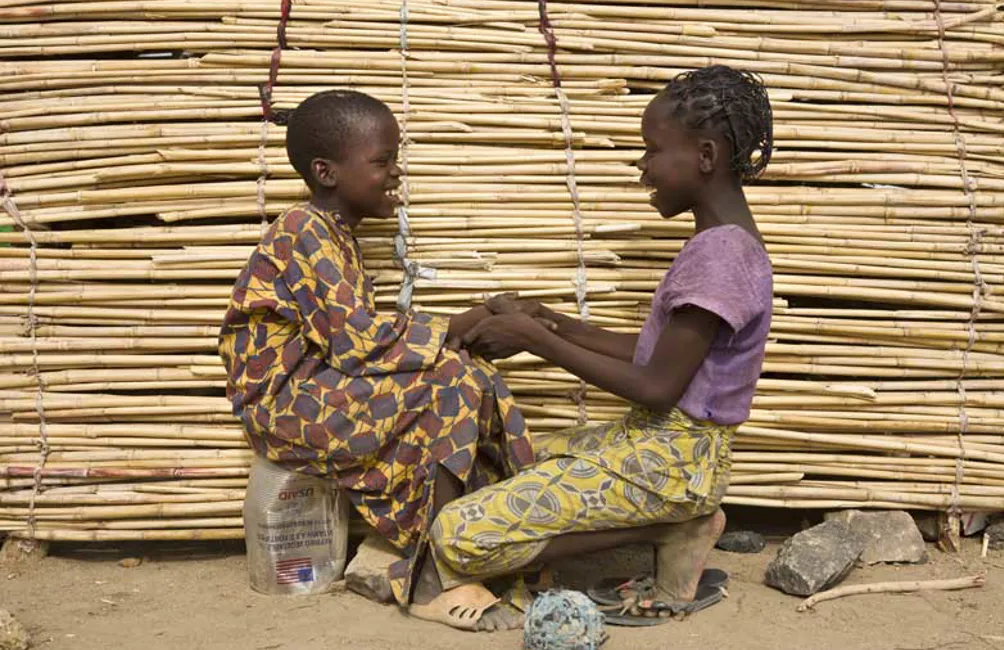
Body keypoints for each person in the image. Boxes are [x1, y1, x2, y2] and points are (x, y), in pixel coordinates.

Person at [418, 65, 775, 628]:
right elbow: (660, 352)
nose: (642, 167)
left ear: (704, 156)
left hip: (674, 461)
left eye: (652, 150)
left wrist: (534, 339)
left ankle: (673, 528)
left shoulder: (722, 255)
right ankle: (673, 523)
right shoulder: (722, 244)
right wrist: (552, 321)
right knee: (523, 463)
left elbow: (658, 388)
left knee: (456, 535)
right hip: (662, 449)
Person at [217, 90, 534, 625]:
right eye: (383, 161)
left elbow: (353, 348)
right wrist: (465, 322)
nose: (396, 173)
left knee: (470, 376)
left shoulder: (335, 236)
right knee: (452, 379)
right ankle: (436, 574)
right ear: (326, 171)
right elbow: (355, 341)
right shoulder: (302, 232)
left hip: (318, 389)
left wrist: (469, 333)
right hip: (283, 407)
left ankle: (427, 549)